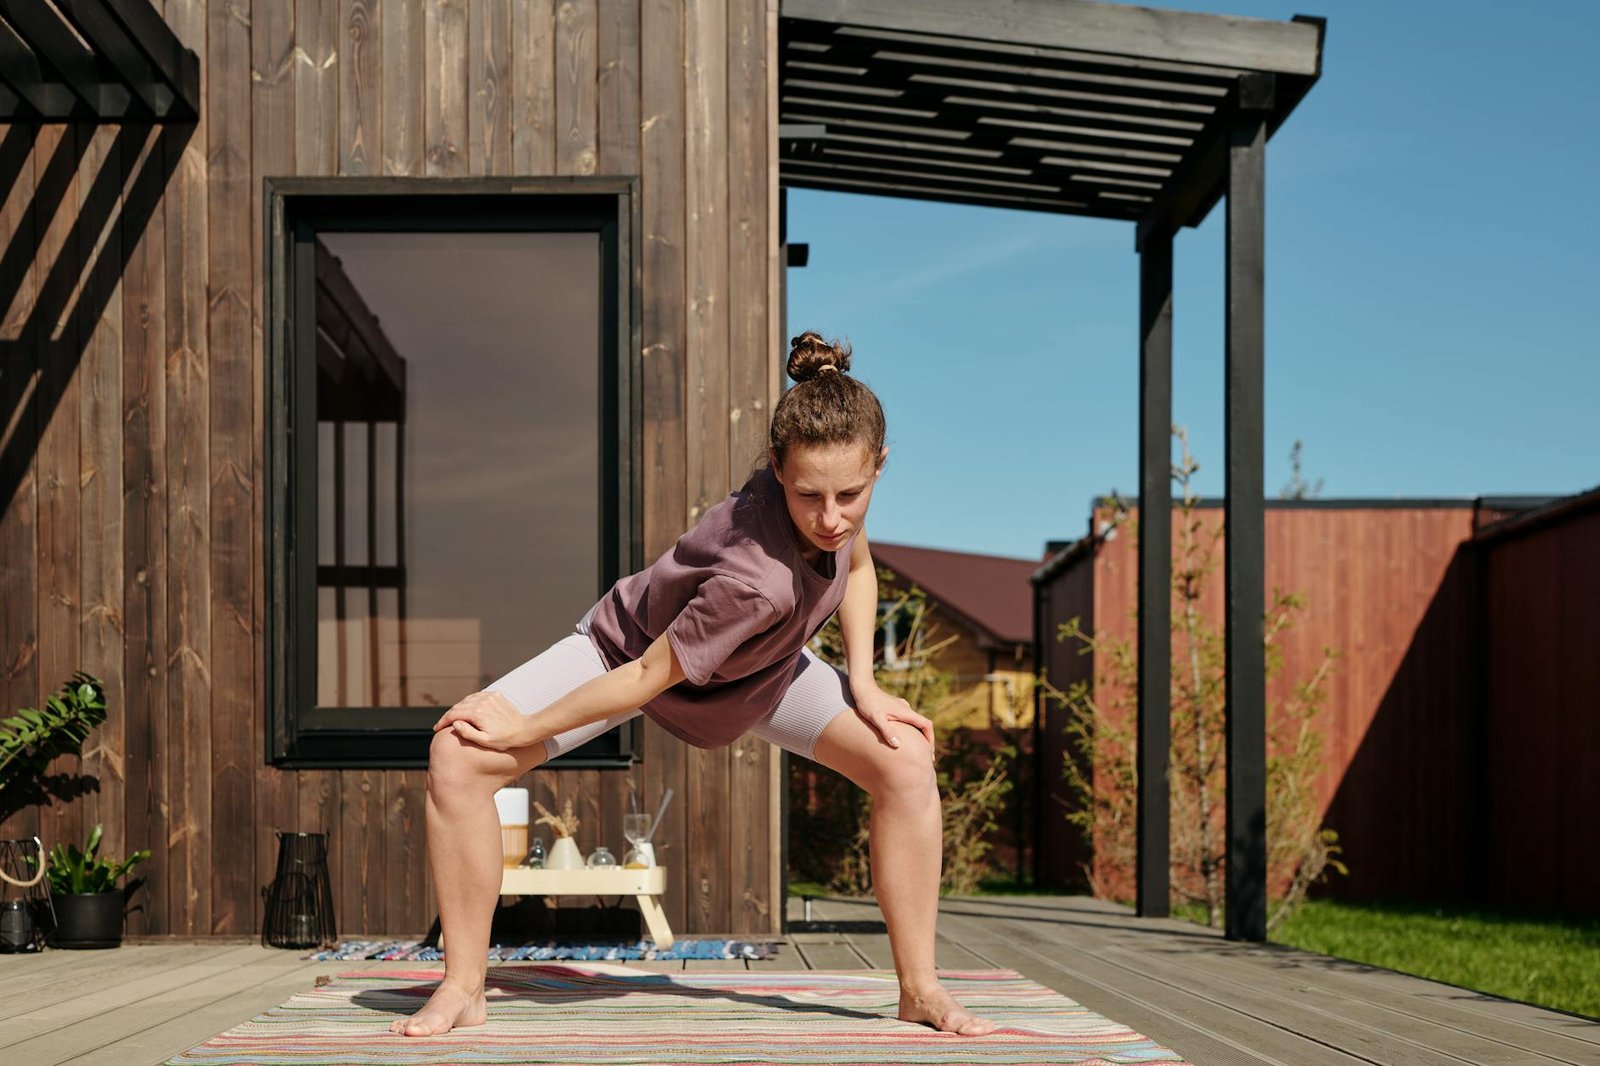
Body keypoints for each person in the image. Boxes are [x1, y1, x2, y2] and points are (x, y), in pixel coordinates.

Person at [391, 332, 996, 1039]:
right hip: (627, 656)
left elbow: (855, 566)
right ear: (776, 468)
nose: (830, 517)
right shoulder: (756, 582)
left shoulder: (829, 503)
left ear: (878, 467)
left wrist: (865, 684)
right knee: (459, 758)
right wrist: (517, 729)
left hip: (759, 670)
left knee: (907, 762)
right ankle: (463, 986)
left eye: (850, 495)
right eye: (808, 496)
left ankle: (920, 990)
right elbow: (646, 675)